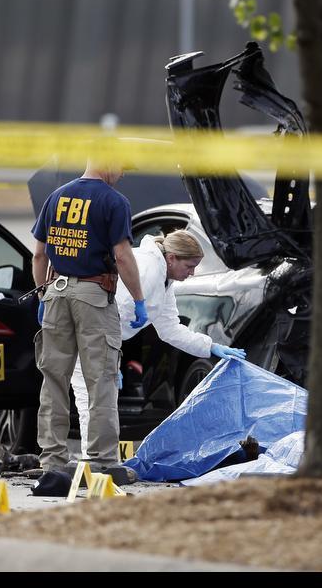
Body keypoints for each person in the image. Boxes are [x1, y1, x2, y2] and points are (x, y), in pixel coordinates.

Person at [73, 230, 247, 453]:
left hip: (103, 338)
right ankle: (95, 464)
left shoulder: (165, 279)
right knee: (93, 401)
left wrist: (210, 346)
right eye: (189, 266)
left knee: (100, 403)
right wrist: (112, 358)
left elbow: (170, 329)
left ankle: (99, 462)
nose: (192, 273)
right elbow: (110, 315)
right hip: (90, 334)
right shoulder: (146, 270)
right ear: (172, 258)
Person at [31, 158, 148, 478]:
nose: (122, 173)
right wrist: (139, 300)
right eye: (122, 167)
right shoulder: (114, 201)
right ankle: (102, 460)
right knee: (101, 381)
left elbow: (39, 254)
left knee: (53, 380)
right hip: (94, 297)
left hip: (56, 292)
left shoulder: (56, 197)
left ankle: (52, 461)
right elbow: (123, 256)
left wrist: (43, 295)